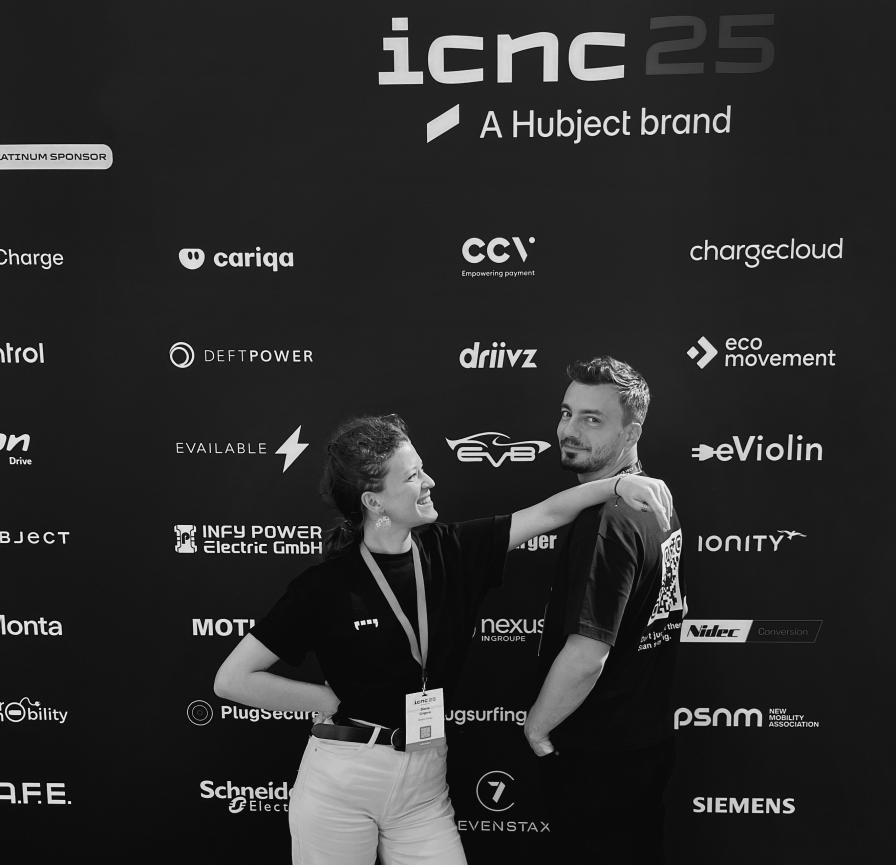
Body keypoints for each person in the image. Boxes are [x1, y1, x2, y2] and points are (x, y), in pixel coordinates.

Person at [213, 413, 673, 865]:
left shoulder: (451, 549)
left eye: (422, 469)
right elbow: (233, 679)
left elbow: (550, 512)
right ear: (374, 501)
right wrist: (328, 701)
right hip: (345, 777)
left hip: (425, 779)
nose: (429, 481)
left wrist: (618, 485)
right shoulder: (324, 587)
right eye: (412, 476)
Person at [525, 357, 685, 865]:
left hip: (599, 757)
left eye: (592, 419)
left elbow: (587, 654)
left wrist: (537, 728)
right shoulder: (649, 498)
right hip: (640, 745)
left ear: (631, 431)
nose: (569, 430)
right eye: (566, 413)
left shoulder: (609, 521)